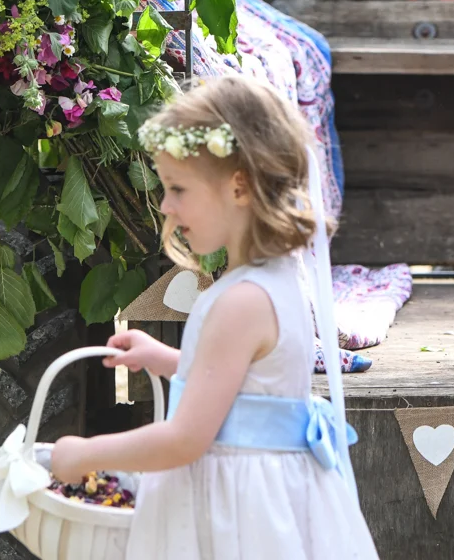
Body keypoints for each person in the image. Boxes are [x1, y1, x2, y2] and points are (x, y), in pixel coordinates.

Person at [47, 75, 379, 560]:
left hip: (239, 510)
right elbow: (249, 390)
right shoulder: (280, 278)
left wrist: (85, 453)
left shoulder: (239, 302)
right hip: (272, 494)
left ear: (239, 185)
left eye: (178, 188)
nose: (165, 205)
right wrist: (168, 360)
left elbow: (185, 440)